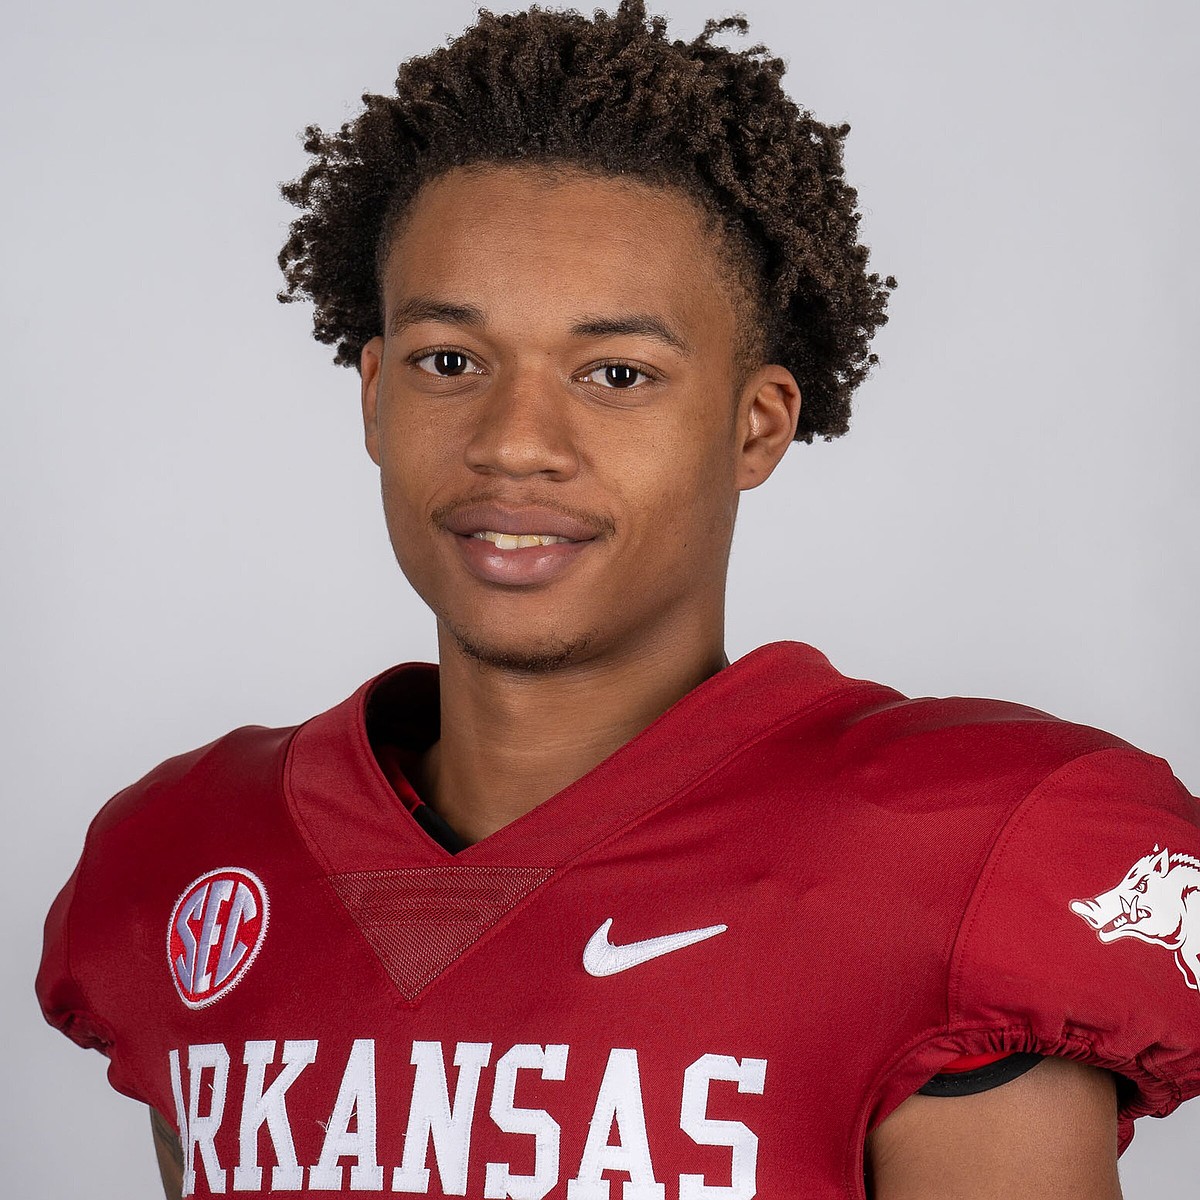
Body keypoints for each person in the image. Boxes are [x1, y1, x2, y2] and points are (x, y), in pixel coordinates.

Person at [35, 2, 1200, 1197]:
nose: (515, 442)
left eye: (616, 374)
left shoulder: (951, 861)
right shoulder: (190, 855)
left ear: (756, 425)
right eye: (450, 361)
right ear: (375, 395)